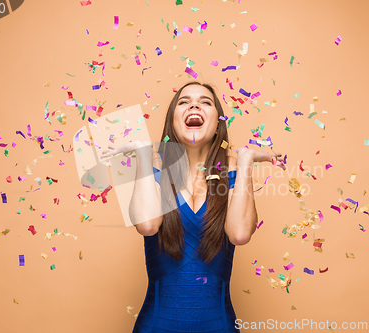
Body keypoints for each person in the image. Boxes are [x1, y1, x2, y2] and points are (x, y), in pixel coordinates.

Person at [101, 81, 286, 332]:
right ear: (173, 121)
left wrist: (245, 161)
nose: (195, 104)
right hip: (156, 326)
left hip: (219, 325)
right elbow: (147, 225)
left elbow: (240, 234)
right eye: (184, 102)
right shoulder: (153, 177)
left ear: (218, 122)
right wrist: (144, 154)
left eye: (205, 102)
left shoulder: (233, 178)